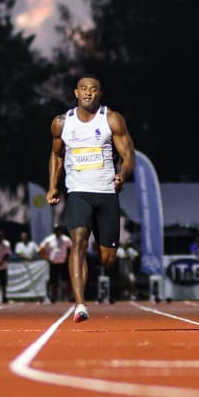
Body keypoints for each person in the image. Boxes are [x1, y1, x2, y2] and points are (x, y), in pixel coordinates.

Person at [47, 76, 135, 322]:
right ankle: (80, 304)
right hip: (77, 191)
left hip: (106, 193)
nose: (88, 93)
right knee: (78, 242)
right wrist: (53, 186)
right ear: (76, 92)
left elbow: (128, 156)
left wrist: (122, 174)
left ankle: (99, 248)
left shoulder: (112, 119)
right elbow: (56, 155)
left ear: (100, 93)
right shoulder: (62, 122)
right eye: (84, 89)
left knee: (107, 259)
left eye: (93, 89)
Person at [39, 225, 73, 303]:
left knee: (67, 281)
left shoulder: (66, 239)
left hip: (63, 262)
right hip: (53, 263)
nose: (58, 231)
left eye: (59, 230)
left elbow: (72, 247)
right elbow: (41, 248)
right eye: (56, 230)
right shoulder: (49, 239)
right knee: (53, 281)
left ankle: (68, 297)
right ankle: (53, 297)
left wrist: (69, 257)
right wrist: (46, 257)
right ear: (54, 231)